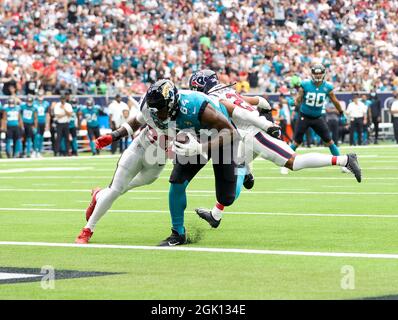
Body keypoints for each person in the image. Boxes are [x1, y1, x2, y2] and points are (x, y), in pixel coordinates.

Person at [189, 70, 362, 228]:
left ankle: (345, 160)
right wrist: (268, 117)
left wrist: (267, 124)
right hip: (250, 134)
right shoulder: (230, 92)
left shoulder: (216, 99)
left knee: (294, 162)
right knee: (239, 166)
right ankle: (216, 214)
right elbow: (262, 101)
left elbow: (242, 114)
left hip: (255, 133)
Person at [285, 64, 346, 175]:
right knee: (296, 142)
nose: (318, 75)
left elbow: (335, 101)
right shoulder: (305, 84)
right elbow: (298, 99)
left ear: (323, 74)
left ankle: (342, 164)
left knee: (329, 141)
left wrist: (341, 112)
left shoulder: (327, 87)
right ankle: (285, 163)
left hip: (318, 118)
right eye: (316, 73)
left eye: (319, 73)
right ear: (312, 74)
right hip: (304, 116)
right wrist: (293, 102)